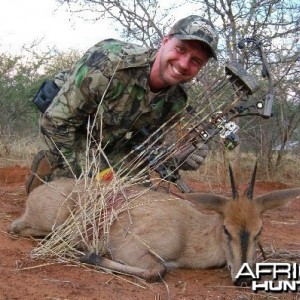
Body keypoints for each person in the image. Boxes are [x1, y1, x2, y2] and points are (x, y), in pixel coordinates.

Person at [25, 15, 219, 194]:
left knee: (138, 199)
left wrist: (177, 158)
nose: (184, 64)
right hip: (67, 129)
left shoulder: (176, 102)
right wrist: (73, 174)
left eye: (195, 61)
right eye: (181, 49)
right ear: (166, 41)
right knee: (88, 196)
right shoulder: (112, 62)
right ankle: (47, 170)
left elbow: (144, 147)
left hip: (108, 144)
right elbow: (55, 121)